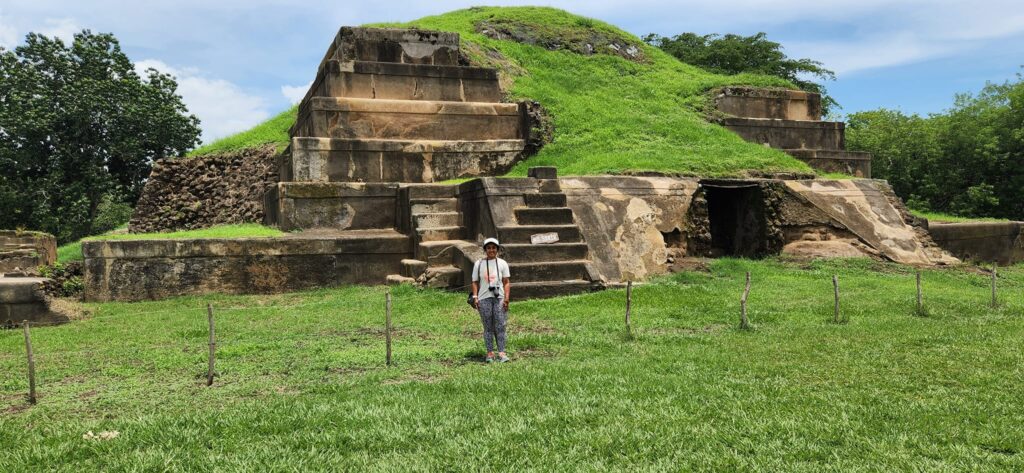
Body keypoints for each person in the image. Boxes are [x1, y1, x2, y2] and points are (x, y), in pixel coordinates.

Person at [472, 237, 511, 363]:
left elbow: (506, 282)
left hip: (499, 298)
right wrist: (475, 297)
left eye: (494, 248)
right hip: (484, 298)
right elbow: (475, 281)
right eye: (488, 248)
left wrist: (506, 298)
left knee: (500, 326)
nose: (491, 250)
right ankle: (489, 353)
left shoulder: (502, 263)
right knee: (488, 327)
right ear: (485, 250)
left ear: (497, 249)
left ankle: (502, 352)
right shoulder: (479, 264)